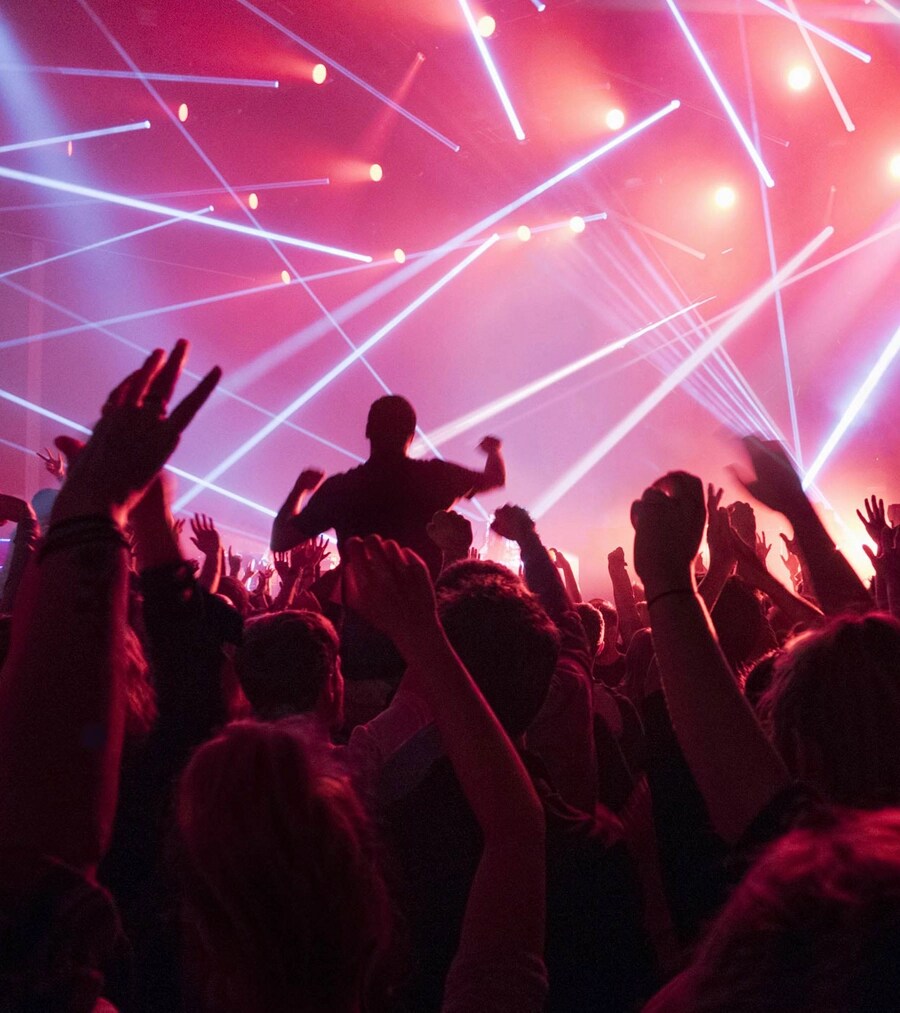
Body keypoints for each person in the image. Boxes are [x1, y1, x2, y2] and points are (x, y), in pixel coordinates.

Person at [270, 395, 505, 577]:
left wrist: (299, 489)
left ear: (368, 431)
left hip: (363, 622)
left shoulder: (342, 488)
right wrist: (493, 451)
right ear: (411, 435)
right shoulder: (435, 476)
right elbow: (494, 479)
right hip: (422, 616)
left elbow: (281, 540)